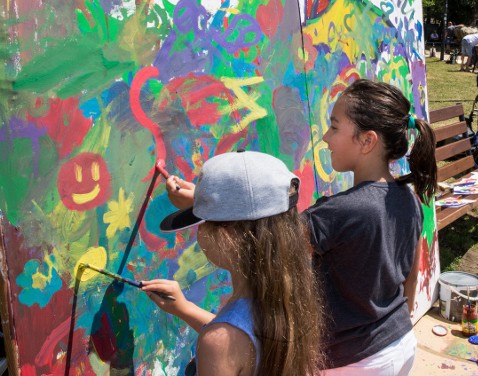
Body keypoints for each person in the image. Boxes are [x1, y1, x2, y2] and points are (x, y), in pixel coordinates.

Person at [146, 151, 324, 375]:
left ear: (227, 237)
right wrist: (184, 309)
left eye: (202, 222)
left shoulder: (217, 343)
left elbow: (228, 340)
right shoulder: (291, 296)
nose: (199, 231)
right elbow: (246, 335)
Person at [305, 79, 435, 372]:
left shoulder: (338, 212)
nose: (326, 137)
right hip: (400, 342)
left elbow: (268, 241)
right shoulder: (408, 198)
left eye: (335, 127)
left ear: (367, 141)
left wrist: (207, 201)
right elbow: (411, 280)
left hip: (354, 362)